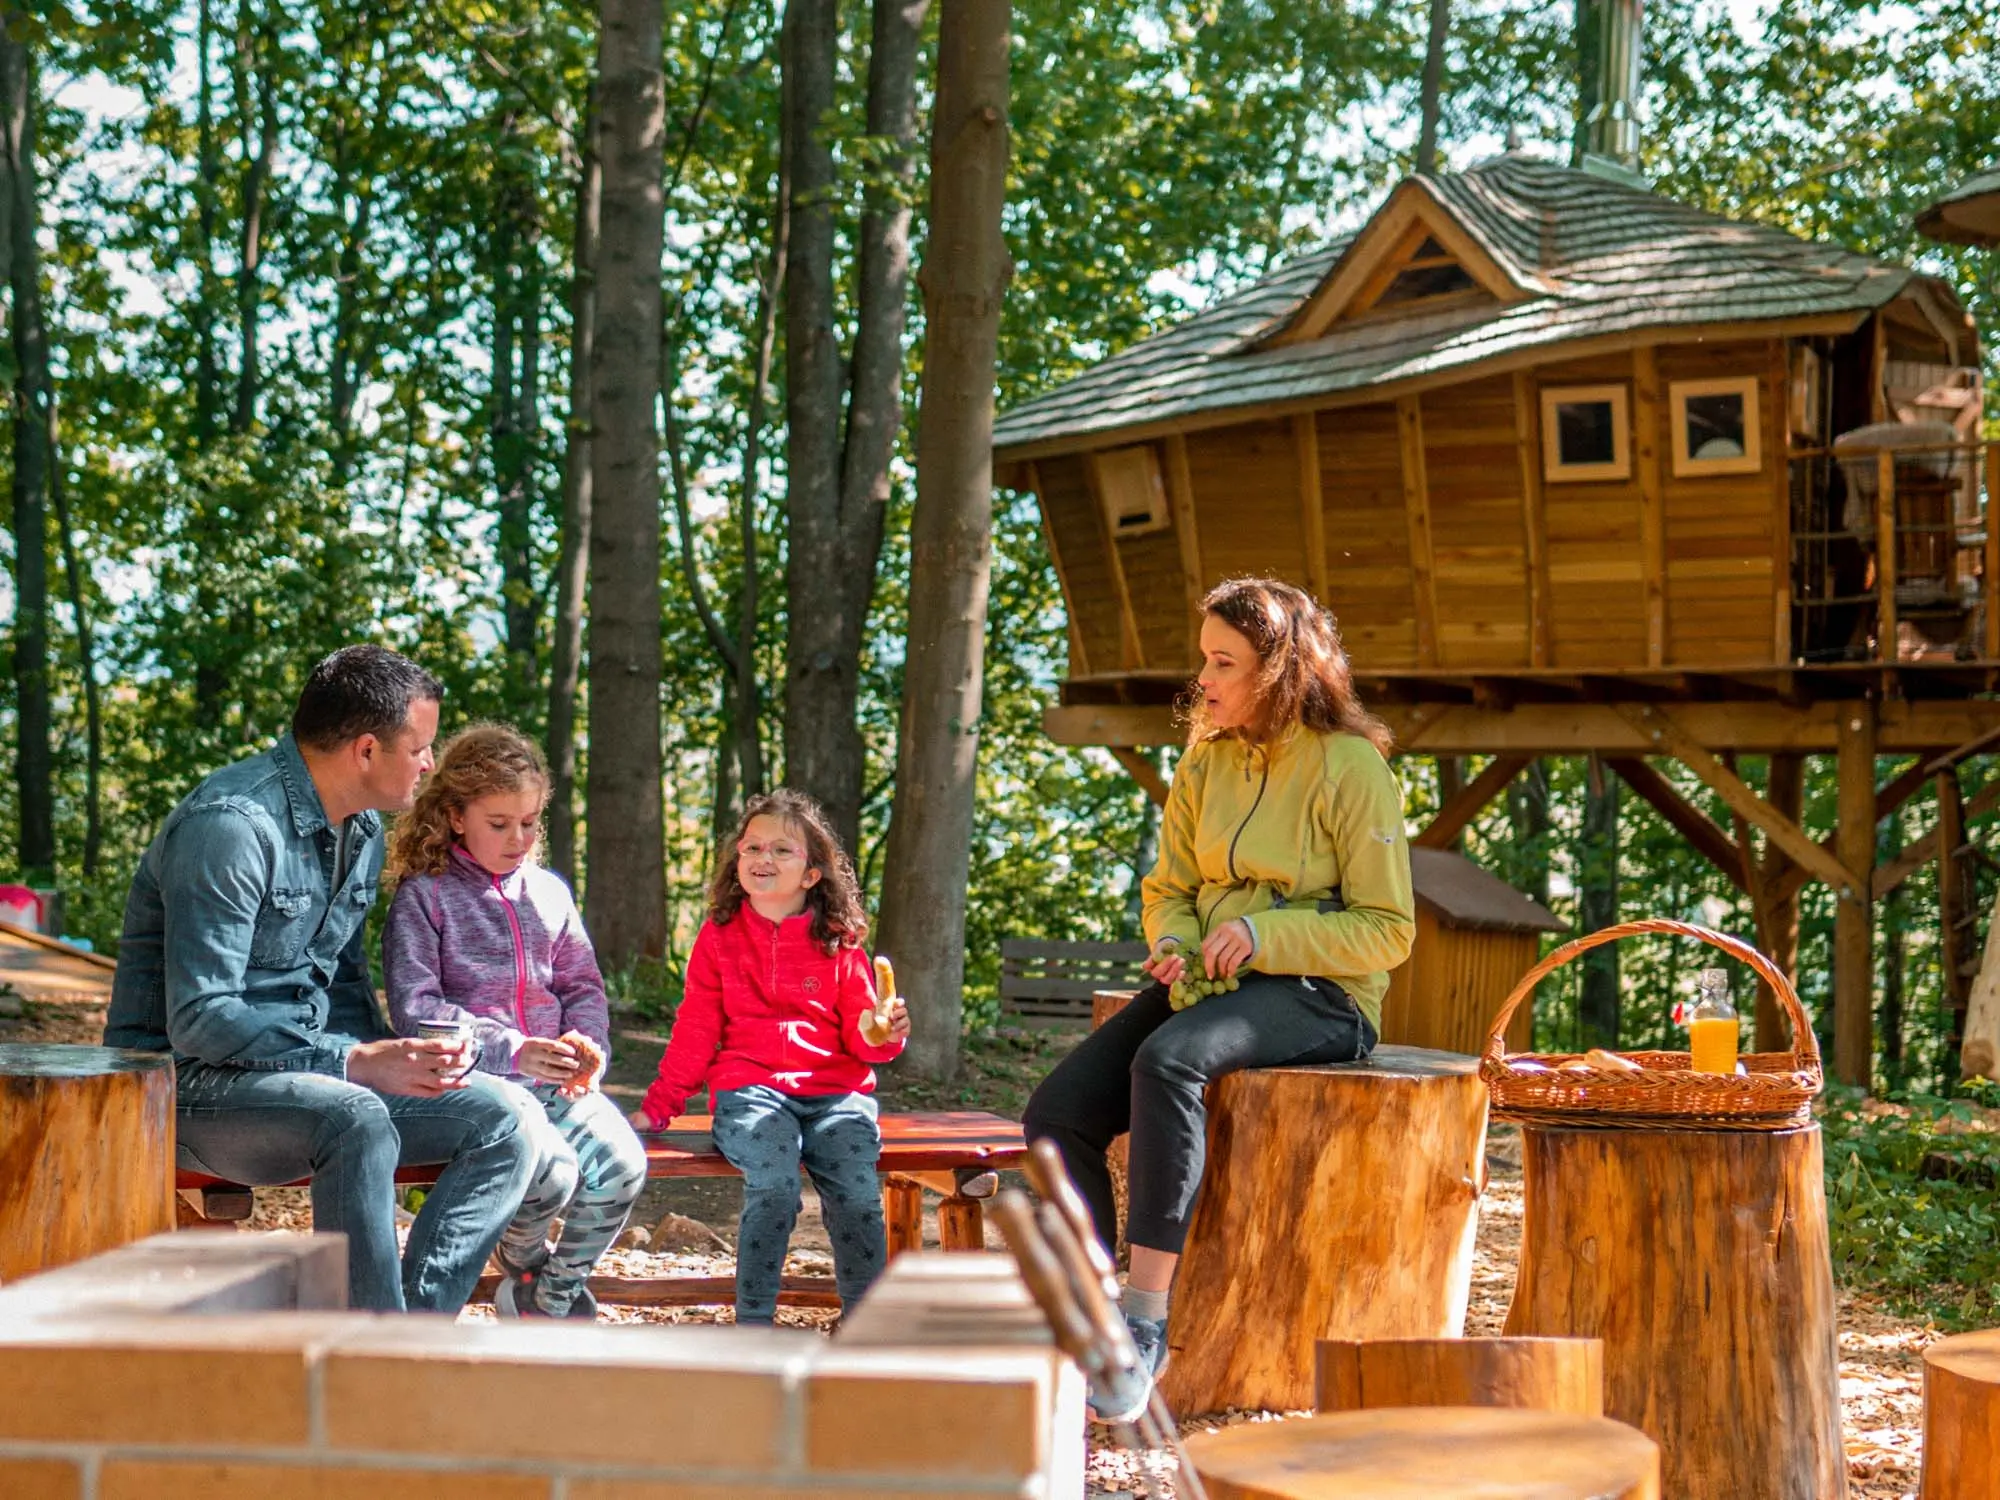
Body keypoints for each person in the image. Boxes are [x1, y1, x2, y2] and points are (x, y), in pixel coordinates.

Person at [1022, 577, 1416, 1410]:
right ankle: (1093, 1311)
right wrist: (1172, 940)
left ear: (1280, 669)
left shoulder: (1352, 767)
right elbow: (1169, 887)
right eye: (1204, 658)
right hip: (1216, 981)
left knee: (1168, 1062)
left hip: (1324, 996)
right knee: (1057, 1113)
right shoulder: (1205, 760)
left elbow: (1387, 930)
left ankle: (1144, 1321)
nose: (1203, 679)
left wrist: (1267, 936)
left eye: (1223, 662)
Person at [104, 646, 538, 1313]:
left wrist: (406, 1060)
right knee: (354, 1117)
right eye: (419, 748)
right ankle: (372, 1347)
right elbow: (199, 1018)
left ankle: (406, 1338)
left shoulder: (361, 831)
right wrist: (354, 1062)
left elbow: (341, 985)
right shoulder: (229, 826)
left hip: (305, 1076)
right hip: (178, 1084)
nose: (430, 764)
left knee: (503, 1121)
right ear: (366, 751)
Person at [382, 723, 647, 1320]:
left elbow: (582, 986)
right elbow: (416, 1010)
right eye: (499, 824)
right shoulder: (424, 896)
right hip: (483, 1088)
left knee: (623, 1170)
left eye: (529, 822)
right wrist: (512, 1049)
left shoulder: (549, 892)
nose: (519, 839)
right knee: (553, 1176)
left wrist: (588, 1047)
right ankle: (522, 1262)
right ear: (455, 817)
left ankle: (545, 1303)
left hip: (560, 1084)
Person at [629, 789, 909, 1325]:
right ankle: (753, 1326)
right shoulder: (719, 937)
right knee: (776, 1188)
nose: (764, 858)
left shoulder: (840, 941)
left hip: (837, 1096)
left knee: (856, 1196)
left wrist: (884, 1033)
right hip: (751, 1092)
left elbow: (863, 1035)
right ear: (738, 861)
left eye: (782, 850)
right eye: (753, 847)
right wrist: (660, 1106)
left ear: (811, 874)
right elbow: (696, 1028)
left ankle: (865, 1326)